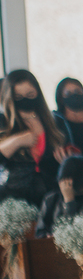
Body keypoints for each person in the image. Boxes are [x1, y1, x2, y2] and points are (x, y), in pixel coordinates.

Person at [0, 70, 71, 207]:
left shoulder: (57, 122)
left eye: (30, 95)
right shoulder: (3, 122)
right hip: (13, 199)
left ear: (37, 93)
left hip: (51, 197)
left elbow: (73, 160)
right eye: (18, 97)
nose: (25, 100)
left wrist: (66, 161)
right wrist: (17, 141)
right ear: (10, 97)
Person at [35, 155, 83, 238]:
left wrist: (69, 201)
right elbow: (39, 232)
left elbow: (74, 236)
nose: (69, 189)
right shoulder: (51, 198)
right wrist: (46, 237)